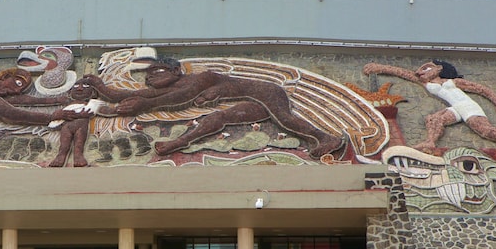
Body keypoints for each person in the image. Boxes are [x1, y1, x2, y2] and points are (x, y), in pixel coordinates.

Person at [81, 58, 344, 158]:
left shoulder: (200, 78)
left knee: (284, 120)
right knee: (220, 117)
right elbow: (127, 94)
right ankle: (177, 144)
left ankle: (325, 138)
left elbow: (182, 96)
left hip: (265, 94)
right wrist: (98, 85)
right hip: (247, 106)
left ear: (175, 70)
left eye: (156, 71)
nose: (150, 78)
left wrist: (146, 103)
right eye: (148, 75)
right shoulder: (166, 88)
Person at [362, 60, 496, 163]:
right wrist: (379, 68)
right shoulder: (426, 83)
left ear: (438, 69)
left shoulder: (452, 82)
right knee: (434, 119)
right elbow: (404, 73)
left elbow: (481, 89)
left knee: (486, 131)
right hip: (455, 109)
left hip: (468, 107)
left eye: (426, 68)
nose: (420, 71)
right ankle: (430, 142)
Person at [46, 80, 118, 167]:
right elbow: (52, 111)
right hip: (66, 126)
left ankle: (78, 156)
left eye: (85, 86)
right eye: (76, 86)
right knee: (64, 144)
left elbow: (107, 111)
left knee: (79, 143)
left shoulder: (92, 104)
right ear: (69, 92)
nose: (80, 89)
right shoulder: (67, 103)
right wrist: (58, 114)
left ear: (93, 93)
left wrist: (120, 109)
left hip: (81, 127)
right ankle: (60, 156)